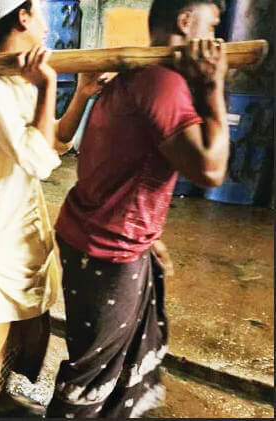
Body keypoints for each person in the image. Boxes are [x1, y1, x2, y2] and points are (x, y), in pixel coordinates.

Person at [47, 0, 229, 418]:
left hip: (96, 238)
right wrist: (213, 88)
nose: (217, 38)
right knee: (91, 380)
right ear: (185, 20)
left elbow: (117, 166)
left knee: (108, 365)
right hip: (108, 250)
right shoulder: (162, 82)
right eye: (211, 25)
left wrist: (149, 235)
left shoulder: (134, 76)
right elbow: (210, 169)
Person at [0, 0, 112, 417]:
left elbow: (52, 142)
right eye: (39, 13)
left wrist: (82, 94)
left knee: (17, 328)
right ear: (23, 16)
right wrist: (49, 85)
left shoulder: (18, 80)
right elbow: (39, 161)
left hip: (17, 224)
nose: (46, 24)